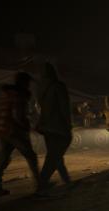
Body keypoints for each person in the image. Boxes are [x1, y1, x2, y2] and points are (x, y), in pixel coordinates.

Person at [0, 72, 42, 196]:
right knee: (31, 156)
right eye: (28, 83)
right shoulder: (20, 95)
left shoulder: (6, 94)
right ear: (24, 83)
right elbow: (18, 115)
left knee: (3, 159)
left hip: (3, 130)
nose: (29, 86)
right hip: (14, 130)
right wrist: (27, 127)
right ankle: (40, 185)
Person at [36, 63, 72, 192]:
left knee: (55, 154)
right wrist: (68, 125)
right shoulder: (58, 86)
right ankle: (42, 183)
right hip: (58, 126)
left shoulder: (41, 89)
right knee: (54, 155)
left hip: (46, 126)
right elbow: (64, 108)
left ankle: (66, 179)